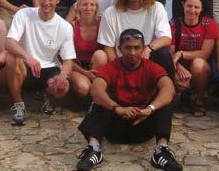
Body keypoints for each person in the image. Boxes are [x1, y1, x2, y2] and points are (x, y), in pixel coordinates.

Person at [75, 28, 182, 171]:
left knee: (165, 102)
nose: (132, 52)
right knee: (100, 102)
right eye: (128, 48)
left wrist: (150, 109)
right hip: (115, 126)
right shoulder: (111, 67)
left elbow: (169, 88)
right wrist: (117, 108)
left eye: (137, 48)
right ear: (119, 49)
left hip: (143, 122)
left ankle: (161, 151)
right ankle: (94, 149)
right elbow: (96, 90)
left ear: (143, 48)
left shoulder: (151, 67)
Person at [5, 0, 76, 125]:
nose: (46, 2)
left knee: (63, 88)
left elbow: (68, 59)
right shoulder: (23, 14)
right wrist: (27, 57)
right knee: (11, 58)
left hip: (49, 68)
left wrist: (63, 75)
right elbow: (9, 42)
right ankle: (19, 106)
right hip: (26, 66)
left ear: (58, 0)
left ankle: (48, 95)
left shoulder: (65, 27)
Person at [96, 0, 174, 77]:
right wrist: (119, 70)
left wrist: (148, 49)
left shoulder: (157, 8)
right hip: (123, 63)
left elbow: (166, 38)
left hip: (149, 61)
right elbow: (108, 47)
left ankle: (167, 83)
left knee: (163, 53)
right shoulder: (110, 13)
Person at [169, 0, 217, 116]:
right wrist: (178, 67)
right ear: (183, 5)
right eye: (189, 6)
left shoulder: (209, 24)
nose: (192, 10)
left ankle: (199, 99)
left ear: (202, 9)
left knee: (198, 64)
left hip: (199, 67)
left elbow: (205, 53)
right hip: (179, 65)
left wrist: (181, 54)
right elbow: (170, 52)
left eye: (196, 7)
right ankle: (185, 96)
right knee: (180, 80)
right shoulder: (174, 23)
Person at [69, 0, 101, 98]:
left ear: (96, 7)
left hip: (96, 65)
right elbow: (67, 59)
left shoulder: (102, 25)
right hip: (76, 66)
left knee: (100, 55)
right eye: (84, 4)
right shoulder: (71, 27)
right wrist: (85, 73)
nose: (88, 8)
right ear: (78, 7)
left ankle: (96, 93)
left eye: (92, 4)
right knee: (83, 88)